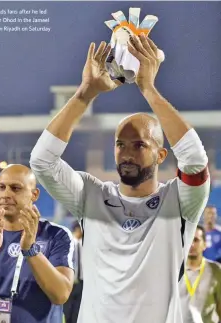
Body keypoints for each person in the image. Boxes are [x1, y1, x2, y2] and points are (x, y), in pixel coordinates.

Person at [29, 34, 210, 323]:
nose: (126, 153)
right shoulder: (91, 195)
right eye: (120, 144)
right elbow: (42, 161)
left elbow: (195, 161)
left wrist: (148, 89)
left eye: (139, 145)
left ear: (161, 155)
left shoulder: (180, 202)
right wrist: (85, 94)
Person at [0, 164, 75, 323]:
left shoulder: (56, 235)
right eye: (1, 187)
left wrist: (30, 250)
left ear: (34, 194)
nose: (6, 194)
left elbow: (61, 295)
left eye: (16, 188)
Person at [180, 225, 221, 323]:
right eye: (188, 240)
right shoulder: (174, 270)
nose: (191, 244)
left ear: (205, 244)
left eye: (196, 240)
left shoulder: (217, 270)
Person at [63, 221, 83, 323]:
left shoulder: (83, 244)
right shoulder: (69, 244)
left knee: (77, 309)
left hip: (81, 282)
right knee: (68, 309)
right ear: (77, 229)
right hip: (70, 281)